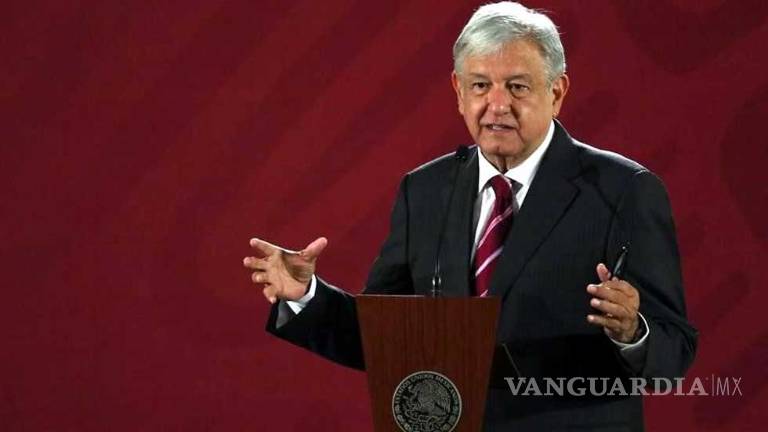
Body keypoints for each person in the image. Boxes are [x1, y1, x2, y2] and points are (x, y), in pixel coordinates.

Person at [243, 2, 697, 430]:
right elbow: (387, 337)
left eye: (517, 86)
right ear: (459, 92)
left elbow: (674, 351)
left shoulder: (623, 190)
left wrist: (632, 332)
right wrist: (306, 295)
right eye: (480, 85)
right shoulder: (424, 191)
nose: (497, 105)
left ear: (557, 92)